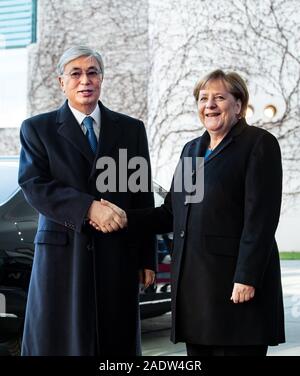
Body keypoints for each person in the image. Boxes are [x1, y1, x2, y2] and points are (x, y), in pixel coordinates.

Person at [98, 69, 285, 356]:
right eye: (203, 98)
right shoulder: (192, 150)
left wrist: (247, 277)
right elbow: (172, 213)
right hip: (195, 289)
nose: (209, 105)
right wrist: (124, 217)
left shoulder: (258, 144)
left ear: (238, 104)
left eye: (219, 98)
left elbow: (260, 219)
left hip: (235, 287)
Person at [18, 45, 156, 356]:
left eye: (92, 72)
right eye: (76, 73)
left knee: (114, 343)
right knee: (61, 343)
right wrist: (87, 208)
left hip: (116, 254)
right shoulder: (37, 129)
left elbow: (141, 194)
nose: (85, 80)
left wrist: (147, 256)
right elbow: (34, 184)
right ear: (61, 82)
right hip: (63, 256)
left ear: (102, 79)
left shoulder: (131, 129)